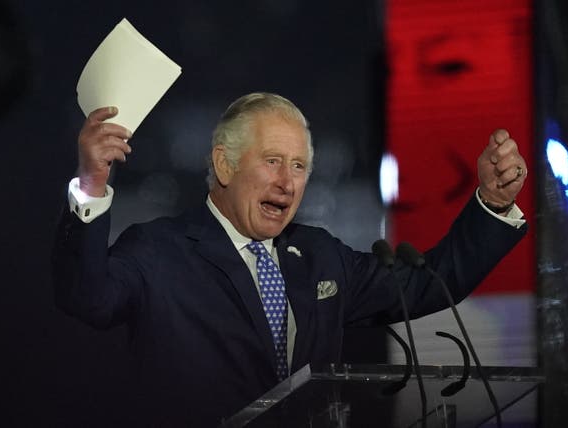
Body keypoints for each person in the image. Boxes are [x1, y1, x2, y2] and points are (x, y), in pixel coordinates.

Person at [52, 93, 528, 427]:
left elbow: (432, 281)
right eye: (273, 161)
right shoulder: (159, 252)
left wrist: (493, 203)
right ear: (224, 165)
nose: (288, 181)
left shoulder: (319, 257)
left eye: (299, 166)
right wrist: (91, 185)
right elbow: (87, 298)